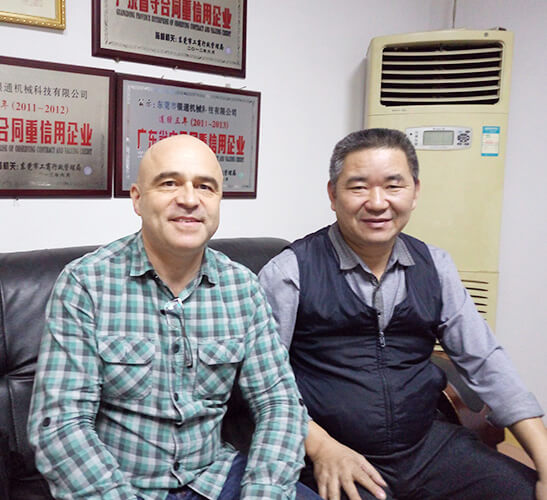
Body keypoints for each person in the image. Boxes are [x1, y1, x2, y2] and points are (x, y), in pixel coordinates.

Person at [259, 128, 547, 500]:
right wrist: (320, 446)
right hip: (332, 451)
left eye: (393, 186)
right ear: (332, 194)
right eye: (358, 187)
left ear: (415, 192)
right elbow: (260, 382)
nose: (377, 203)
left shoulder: (435, 266)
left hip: (427, 446)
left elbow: (484, 359)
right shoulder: (289, 272)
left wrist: (543, 457)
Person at [28, 134, 319, 500]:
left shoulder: (242, 287)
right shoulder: (86, 283)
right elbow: (60, 423)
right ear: (137, 199)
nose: (189, 199)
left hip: (216, 478)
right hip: (121, 483)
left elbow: (279, 404)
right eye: (169, 183)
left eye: (205, 187)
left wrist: (264, 492)